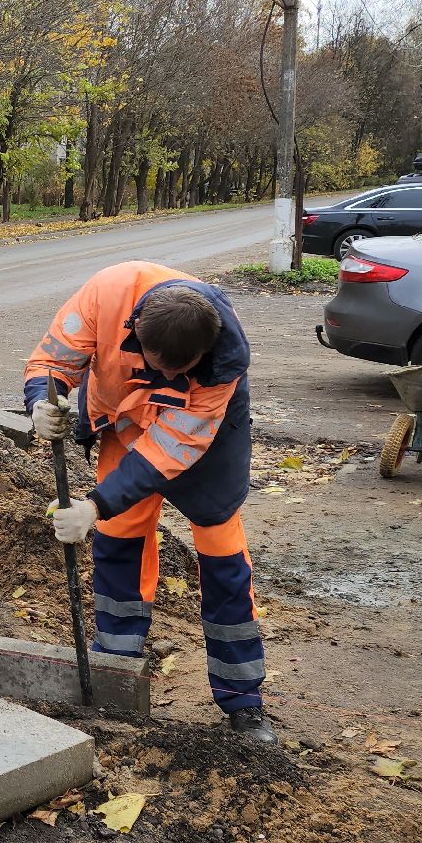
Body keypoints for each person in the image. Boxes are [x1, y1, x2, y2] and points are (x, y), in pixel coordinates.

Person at [24, 261, 275, 743]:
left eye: (177, 370)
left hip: (205, 442)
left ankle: (242, 699)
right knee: (119, 540)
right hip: (124, 424)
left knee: (222, 556)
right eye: (157, 365)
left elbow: (165, 453)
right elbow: (54, 360)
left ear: (203, 350)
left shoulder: (221, 368)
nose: (166, 375)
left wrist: (94, 506)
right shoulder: (108, 293)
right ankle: (116, 667)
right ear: (136, 329)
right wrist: (41, 401)